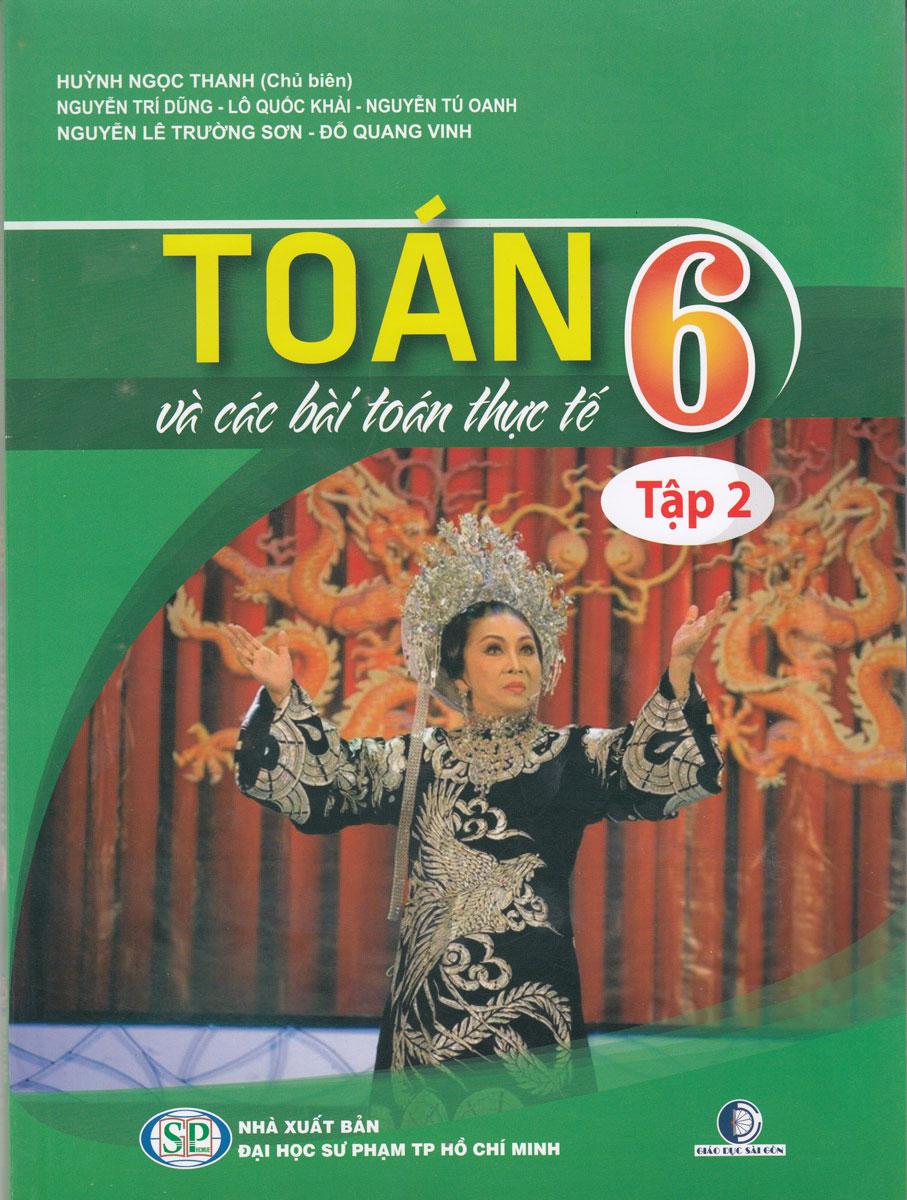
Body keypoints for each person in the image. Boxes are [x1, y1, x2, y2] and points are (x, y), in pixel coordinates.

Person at [227, 514, 728, 1111]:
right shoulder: (416, 759)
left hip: (536, 999)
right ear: (459, 675)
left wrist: (679, 669)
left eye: (527, 650)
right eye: (494, 649)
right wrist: (283, 693)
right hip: (429, 1005)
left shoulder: (573, 756)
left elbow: (653, 771)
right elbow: (331, 779)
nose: (517, 664)